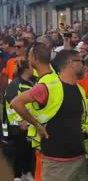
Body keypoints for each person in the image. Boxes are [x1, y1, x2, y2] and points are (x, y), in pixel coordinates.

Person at [11, 46, 88, 181]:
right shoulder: (48, 87)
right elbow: (16, 102)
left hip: (80, 159)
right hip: (57, 162)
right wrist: (37, 125)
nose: (85, 65)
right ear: (71, 64)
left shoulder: (80, 90)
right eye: (81, 61)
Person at [5, 59, 35, 181]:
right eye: (32, 67)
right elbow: (11, 105)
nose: (34, 69)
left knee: (29, 150)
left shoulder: (33, 82)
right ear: (26, 69)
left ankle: (27, 172)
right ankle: (17, 175)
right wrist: (20, 121)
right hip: (20, 125)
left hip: (31, 123)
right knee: (20, 151)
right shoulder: (15, 84)